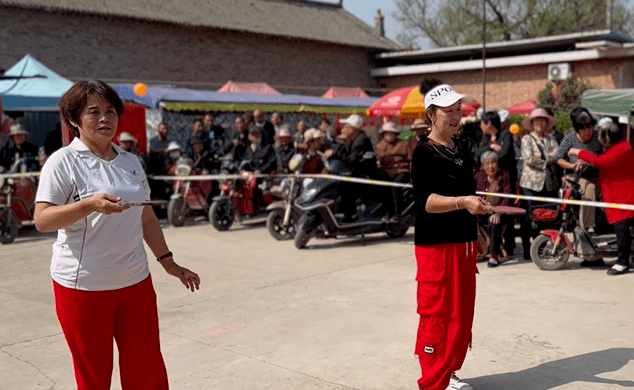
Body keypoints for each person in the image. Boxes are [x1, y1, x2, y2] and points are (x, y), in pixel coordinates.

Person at [33, 80, 200, 390]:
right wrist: (89, 205)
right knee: (94, 375)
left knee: (146, 368)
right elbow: (42, 220)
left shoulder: (130, 161)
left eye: (111, 112)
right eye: (93, 112)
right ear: (74, 119)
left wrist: (169, 263)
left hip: (135, 282)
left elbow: (146, 216)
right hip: (83, 287)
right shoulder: (63, 162)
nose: (104, 119)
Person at [411, 84, 491, 390]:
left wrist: (478, 230)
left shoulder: (461, 149)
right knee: (436, 313)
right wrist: (462, 203)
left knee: (461, 314)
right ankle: (433, 381)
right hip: (436, 245)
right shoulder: (423, 153)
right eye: (449, 112)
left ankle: (449, 372)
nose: (456, 117)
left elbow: (469, 192)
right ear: (431, 115)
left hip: (464, 242)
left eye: (459, 111)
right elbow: (426, 202)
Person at [569, 121, 634, 275]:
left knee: (621, 227)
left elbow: (601, 161)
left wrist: (578, 152)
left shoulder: (622, 149)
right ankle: (597, 257)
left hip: (623, 195)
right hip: (615, 194)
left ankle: (622, 262)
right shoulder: (617, 147)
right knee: (604, 224)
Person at [519, 108, 560, 260]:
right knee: (529, 216)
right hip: (531, 184)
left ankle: (541, 248)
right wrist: (547, 159)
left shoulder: (551, 139)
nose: (540, 123)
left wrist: (542, 156)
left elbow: (557, 154)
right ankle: (526, 248)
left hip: (548, 184)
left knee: (545, 216)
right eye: (536, 121)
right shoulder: (527, 139)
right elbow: (529, 159)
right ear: (532, 123)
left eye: (543, 120)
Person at [555, 107, 602, 237]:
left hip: (595, 174)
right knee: (590, 188)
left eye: (590, 127)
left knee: (596, 188)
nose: (588, 131)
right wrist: (572, 165)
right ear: (577, 129)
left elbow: (605, 156)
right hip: (575, 175)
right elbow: (558, 159)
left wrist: (591, 162)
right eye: (583, 128)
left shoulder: (598, 137)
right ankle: (587, 227)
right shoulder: (569, 138)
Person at [324, 114, 378, 222]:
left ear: (352, 129)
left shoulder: (360, 140)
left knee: (346, 188)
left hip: (366, 176)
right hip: (358, 173)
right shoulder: (354, 139)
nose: (343, 129)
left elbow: (351, 159)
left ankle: (352, 216)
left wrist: (334, 153)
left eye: (346, 127)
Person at [475, 151, 512, 267]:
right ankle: (474, 252)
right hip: (481, 213)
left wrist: (498, 213)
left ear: (497, 164)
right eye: (487, 163)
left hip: (500, 214)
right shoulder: (478, 177)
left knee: (494, 221)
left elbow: (507, 198)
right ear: (483, 165)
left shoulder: (504, 177)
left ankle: (494, 256)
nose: (490, 166)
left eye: (493, 163)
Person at [376, 121, 410, 222]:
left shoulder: (403, 144)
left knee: (396, 185)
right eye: (387, 134)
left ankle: (397, 213)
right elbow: (379, 162)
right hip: (387, 171)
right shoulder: (381, 146)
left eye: (391, 133)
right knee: (381, 186)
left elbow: (410, 159)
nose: (390, 136)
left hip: (402, 170)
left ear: (395, 134)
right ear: (383, 135)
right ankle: (386, 212)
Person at [475, 111, 515, 185]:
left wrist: (490, 158)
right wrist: (491, 147)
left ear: (489, 124)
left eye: (482, 123)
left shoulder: (505, 135)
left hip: (504, 178)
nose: (481, 126)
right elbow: (477, 153)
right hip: (487, 178)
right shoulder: (485, 137)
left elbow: (506, 153)